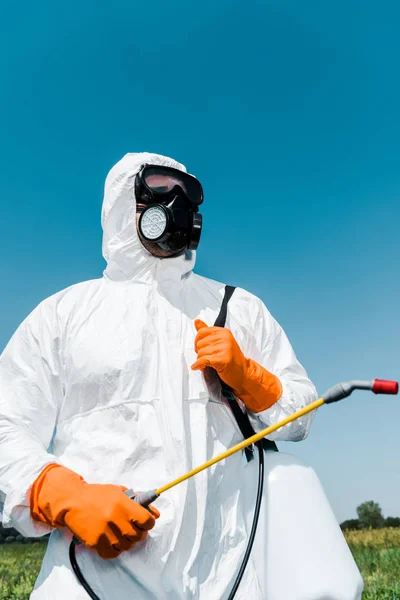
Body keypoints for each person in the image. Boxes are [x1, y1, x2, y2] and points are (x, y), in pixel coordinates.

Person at [0, 152, 317, 599]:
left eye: (187, 197)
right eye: (161, 192)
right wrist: (62, 494)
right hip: (92, 573)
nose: (177, 208)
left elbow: (304, 416)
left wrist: (251, 378)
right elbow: (6, 422)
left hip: (232, 569)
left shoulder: (237, 308)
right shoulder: (64, 314)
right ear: (120, 208)